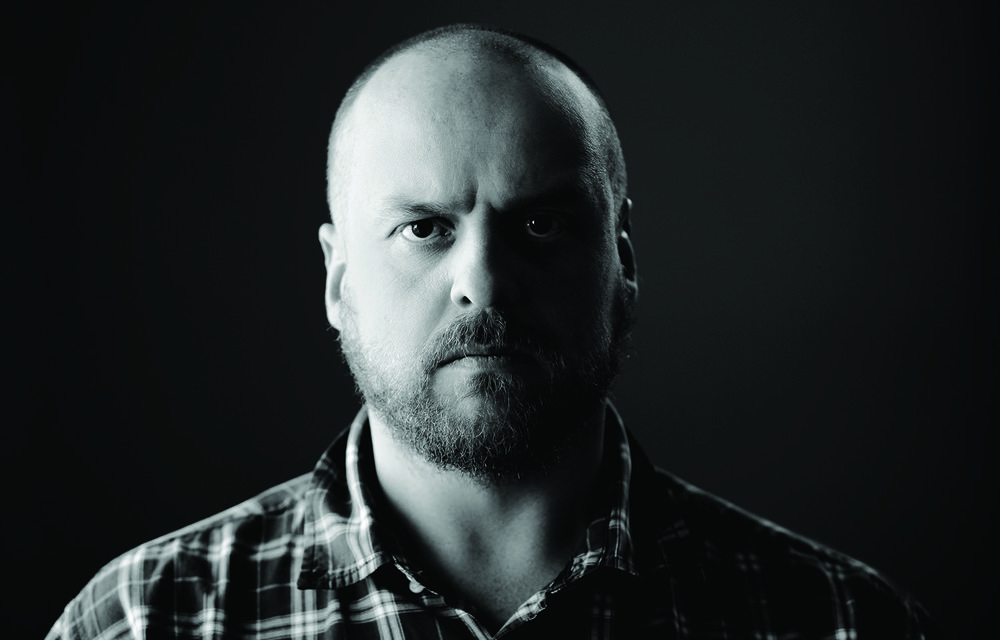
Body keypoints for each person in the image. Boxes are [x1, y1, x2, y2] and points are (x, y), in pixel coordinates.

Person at [48, 24, 934, 639]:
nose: (483, 282)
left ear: (623, 262)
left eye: (541, 225)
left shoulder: (841, 623)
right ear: (337, 277)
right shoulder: (146, 620)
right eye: (424, 228)